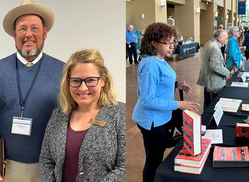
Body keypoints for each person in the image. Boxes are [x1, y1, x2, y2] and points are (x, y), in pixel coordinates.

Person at [0, 0, 65, 182]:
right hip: (6, 167)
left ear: (44, 33)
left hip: (49, 166)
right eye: (22, 29)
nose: (28, 34)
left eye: (34, 28)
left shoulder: (64, 70)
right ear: (14, 34)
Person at [39, 49, 126, 182]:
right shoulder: (58, 115)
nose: (83, 88)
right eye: (76, 81)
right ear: (68, 82)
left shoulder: (120, 114)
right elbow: (46, 159)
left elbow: (123, 167)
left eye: (91, 80)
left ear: (103, 80)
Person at [132, 22, 199, 182]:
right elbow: (147, 99)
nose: (172, 46)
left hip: (160, 117)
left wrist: (176, 85)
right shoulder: (151, 64)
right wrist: (179, 104)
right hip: (152, 120)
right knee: (154, 160)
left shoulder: (158, 60)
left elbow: (156, 84)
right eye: (167, 43)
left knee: (157, 156)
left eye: (173, 42)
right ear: (154, 43)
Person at [197, 30, 231, 109]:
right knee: (213, 105)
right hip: (214, 81)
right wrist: (227, 73)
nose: (226, 41)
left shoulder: (209, 43)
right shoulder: (214, 48)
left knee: (207, 103)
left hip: (208, 78)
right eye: (225, 39)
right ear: (219, 37)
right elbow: (216, 67)